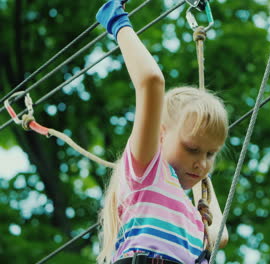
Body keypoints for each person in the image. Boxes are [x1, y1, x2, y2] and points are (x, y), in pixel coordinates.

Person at [95, 1, 229, 263]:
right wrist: (117, 21)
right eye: (192, 148)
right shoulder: (147, 171)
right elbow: (151, 82)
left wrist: (201, 190)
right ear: (161, 135)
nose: (201, 163)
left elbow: (219, 235)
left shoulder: (193, 221)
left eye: (211, 153)